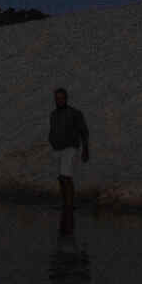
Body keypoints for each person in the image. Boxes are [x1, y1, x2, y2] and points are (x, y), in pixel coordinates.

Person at [48, 88, 90, 235]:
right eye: (57, 98)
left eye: (61, 98)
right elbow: (52, 130)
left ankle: (70, 205)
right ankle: (65, 203)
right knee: (60, 177)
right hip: (57, 148)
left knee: (66, 176)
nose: (59, 100)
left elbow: (84, 132)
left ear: (66, 98)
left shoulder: (74, 113)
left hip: (70, 147)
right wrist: (51, 141)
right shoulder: (53, 114)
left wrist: (85, 149)